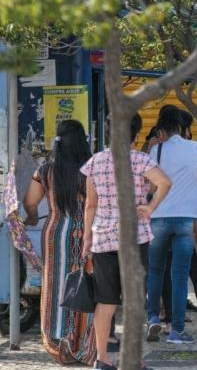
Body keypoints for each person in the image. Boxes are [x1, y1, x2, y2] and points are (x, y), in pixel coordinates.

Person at [81, 114, 172, 370]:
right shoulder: (140, 159)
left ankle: (102, 359)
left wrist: (87, 237)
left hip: (104, 239)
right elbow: (165, 182)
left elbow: (90, 204)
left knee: (105, 301)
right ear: (136, 133)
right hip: (135, 238)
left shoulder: (95, 162)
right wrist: (150, 206)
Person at [23, 120, 95, 364]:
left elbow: (30, 202)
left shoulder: (46, 169)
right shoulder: (92, 167)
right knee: (86, 284)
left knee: (55, 286)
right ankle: (83, 342)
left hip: (55, 234)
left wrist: (32, 218)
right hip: (88, 233)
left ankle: (58, 342)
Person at [146, 106, 197, 344]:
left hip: (159, 216)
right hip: (187, 217)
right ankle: (177, 331)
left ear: (160, 128)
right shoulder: (195, 147)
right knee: (179, 276)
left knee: (155, 270)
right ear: (181, 126)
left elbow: (150, 187)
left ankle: (152, 319)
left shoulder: (155, 150)